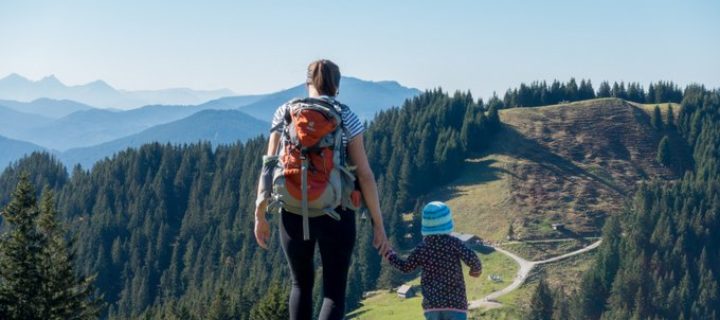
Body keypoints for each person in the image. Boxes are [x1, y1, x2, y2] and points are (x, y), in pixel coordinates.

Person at [253, 59, 390, 320]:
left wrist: (260, 213)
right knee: (333, 293)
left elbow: (269, 164)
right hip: (335, 212)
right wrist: (378, 224)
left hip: (292, 208)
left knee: (300, 285)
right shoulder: (345, 115)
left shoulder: (284, 112)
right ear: (337, 87)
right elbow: (365, 174)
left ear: (307, 84)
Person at [384, 201, 482, 320]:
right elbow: (474, 261)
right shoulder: (454, 243)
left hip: (432, 306)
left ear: (425, 225)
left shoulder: (423, 248)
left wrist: (390, 255)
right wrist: (475, 271)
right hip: (455, 304)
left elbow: (406, 267)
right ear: (448, 223)